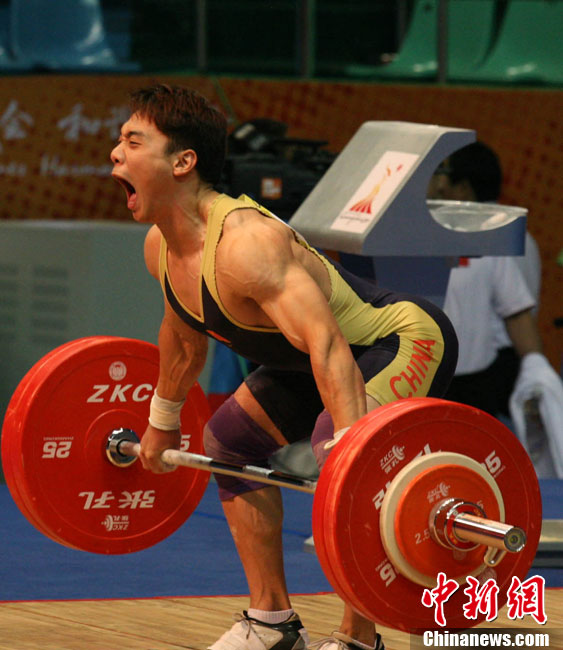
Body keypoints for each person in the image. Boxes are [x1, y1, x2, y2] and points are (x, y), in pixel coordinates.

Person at [110, 83, 458, 650]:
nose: (115, 153)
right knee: (226, 442)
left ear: (182, 161)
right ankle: (271, 622)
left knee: (335, 449)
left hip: (398, 340)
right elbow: (183, 340)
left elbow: (327, 345)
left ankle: (358, 637)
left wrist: (350, 451)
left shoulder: (247, 243)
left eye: (132, 141)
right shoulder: (161, 248)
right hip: (311, 362)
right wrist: (163, 420)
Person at [428, 141, 543, 417]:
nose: (439, 187)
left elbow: (518, 312)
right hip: (451, 373)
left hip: (492, 372)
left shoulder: (497, 239)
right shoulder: (515, 237)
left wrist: (535, 368)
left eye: (442, 176)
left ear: (463, 188)